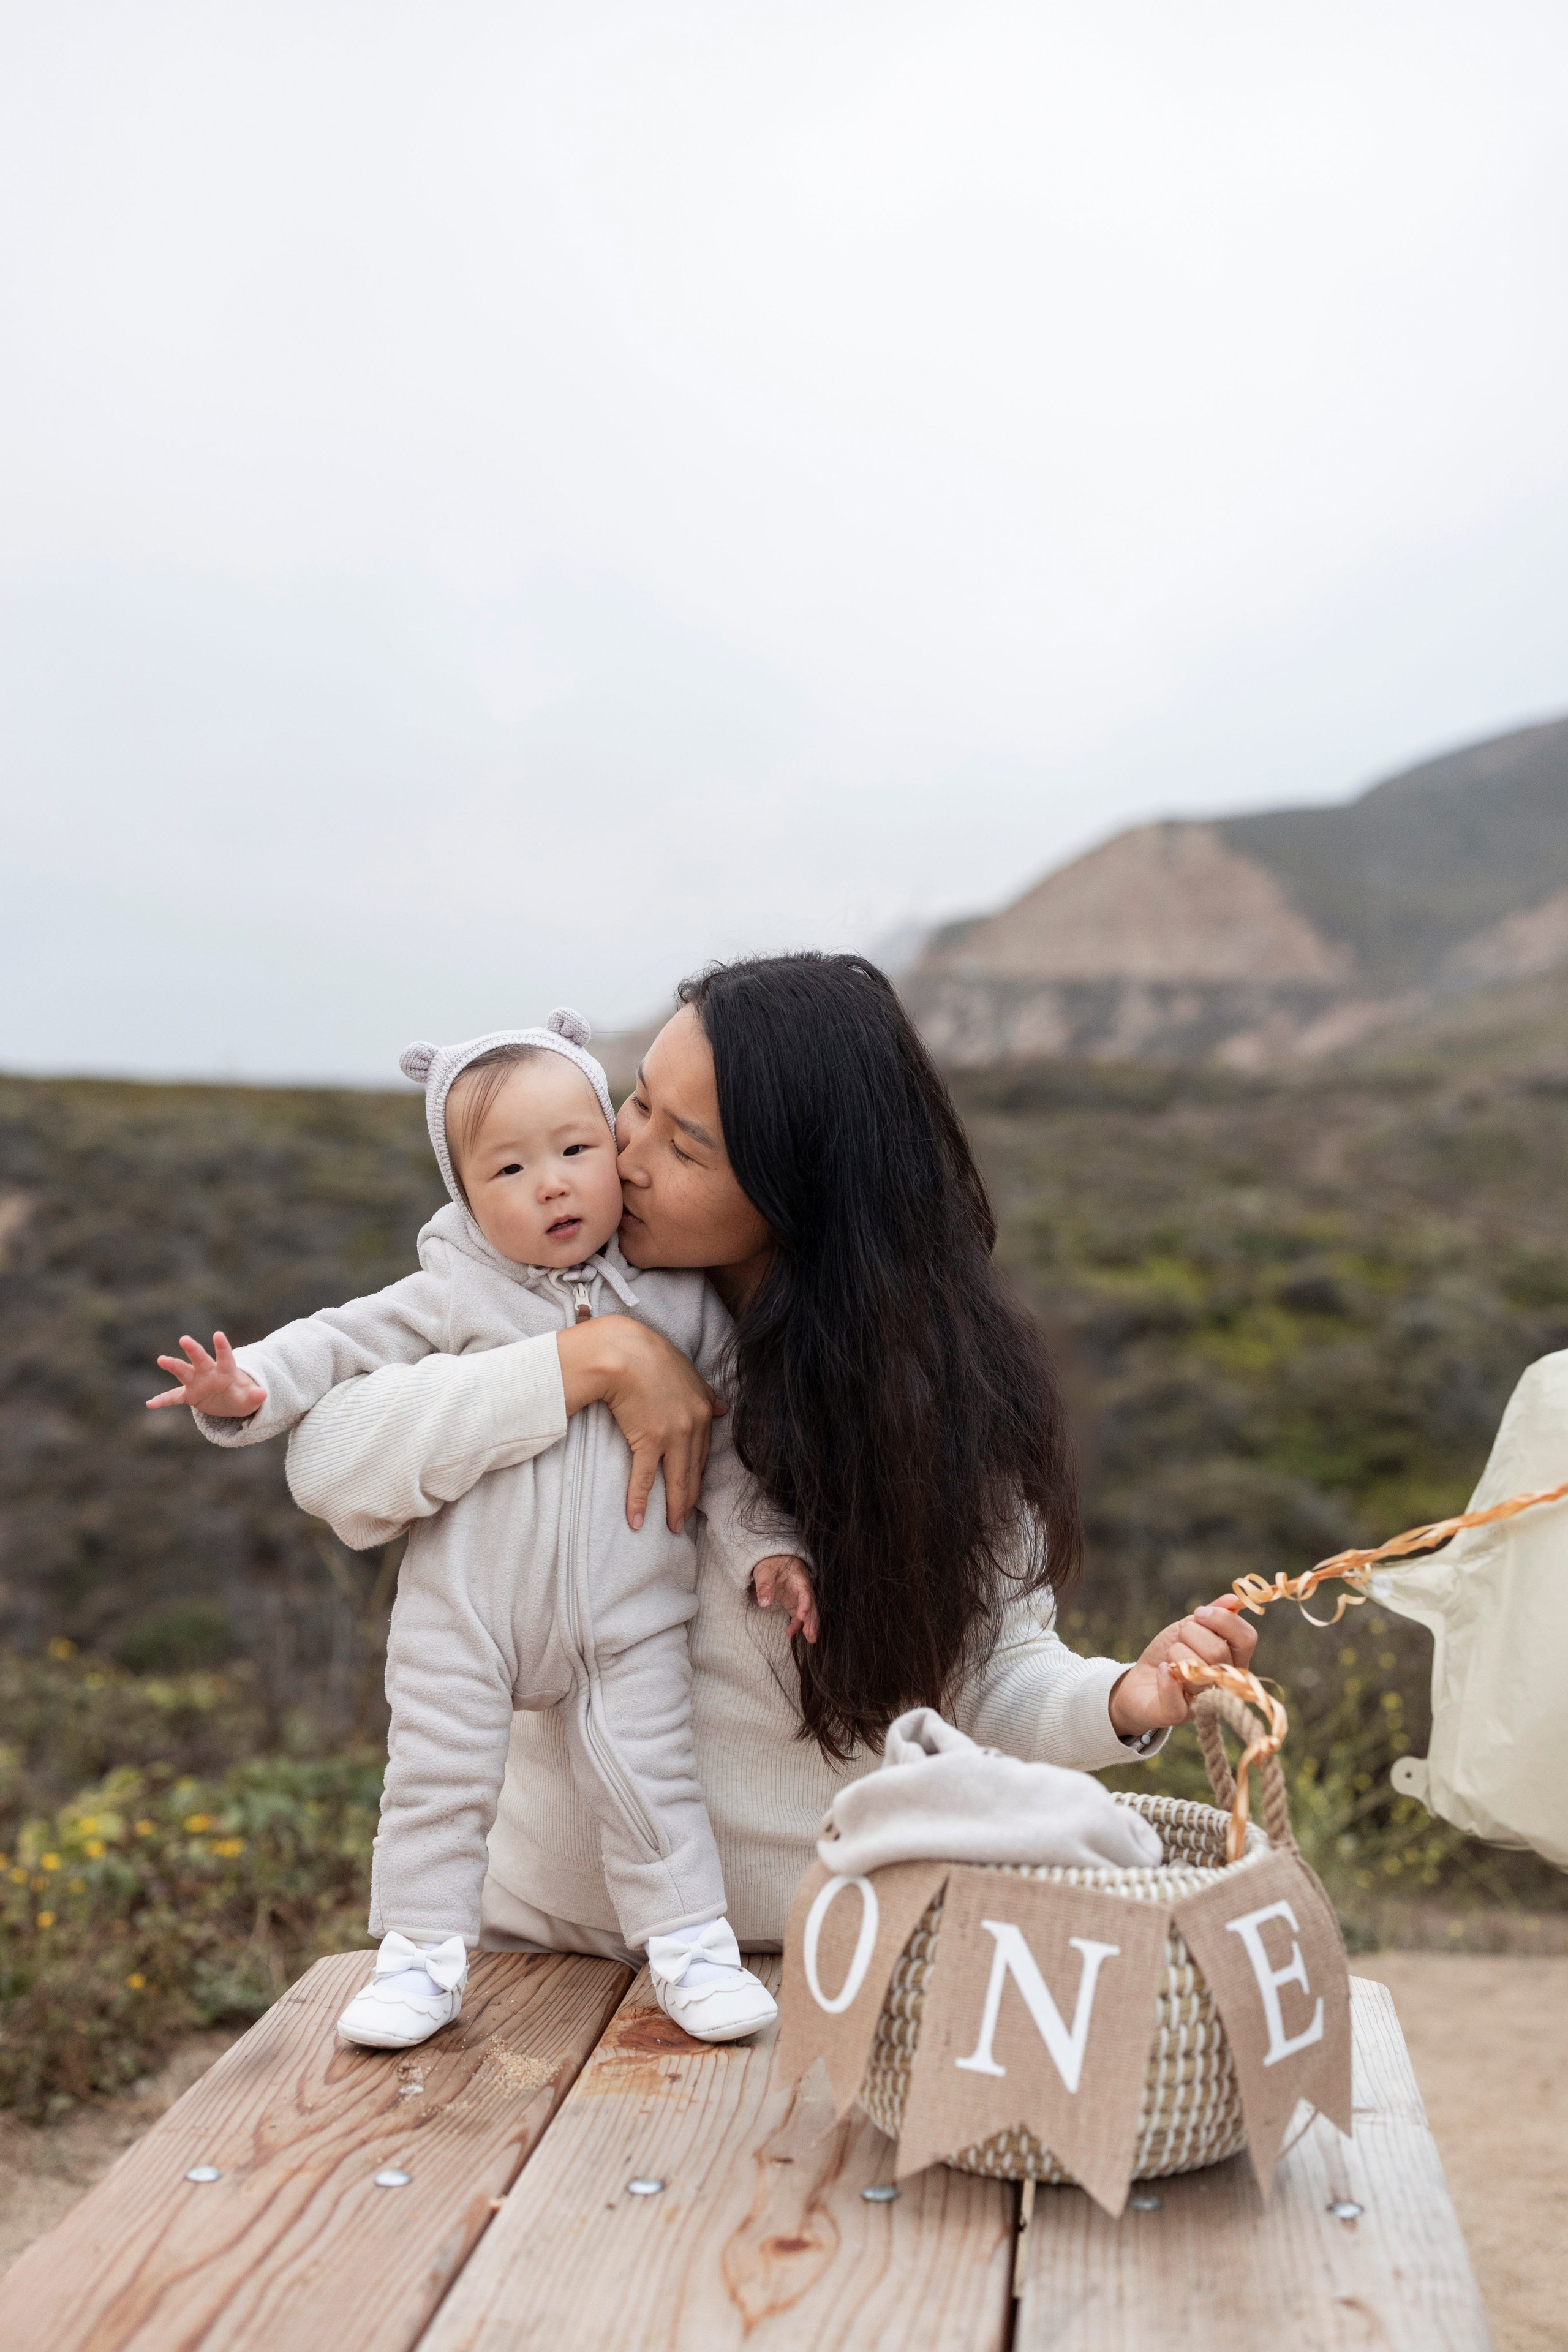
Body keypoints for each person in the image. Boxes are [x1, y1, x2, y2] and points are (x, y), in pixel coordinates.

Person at [282, 955, 1260, 1964]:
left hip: (807, 1964)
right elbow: (328, 1461)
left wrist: (1125, 1700)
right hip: (531, 1955)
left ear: (800, 1189)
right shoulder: (538, 1295)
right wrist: (586, 1363)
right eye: (638, 1103)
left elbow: (991, 1676)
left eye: (686, 1146)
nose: (625, 1157)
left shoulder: (934, 1400)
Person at [146, 1009, 810, 2048]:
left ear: (609, 1150)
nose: (551, 1184)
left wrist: (773, 1548)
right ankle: (419, 1958)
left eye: (577, 1150)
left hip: (629, 1616)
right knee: (436, 1786)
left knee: (651, 1781)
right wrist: (246, 1388)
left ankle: (689, 1951)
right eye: (508, 1170)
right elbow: (332, 1347)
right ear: (463, 1193)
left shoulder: (687, 1306)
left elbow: (729, 1456)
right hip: (466, 1615)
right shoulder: (450, 1291)